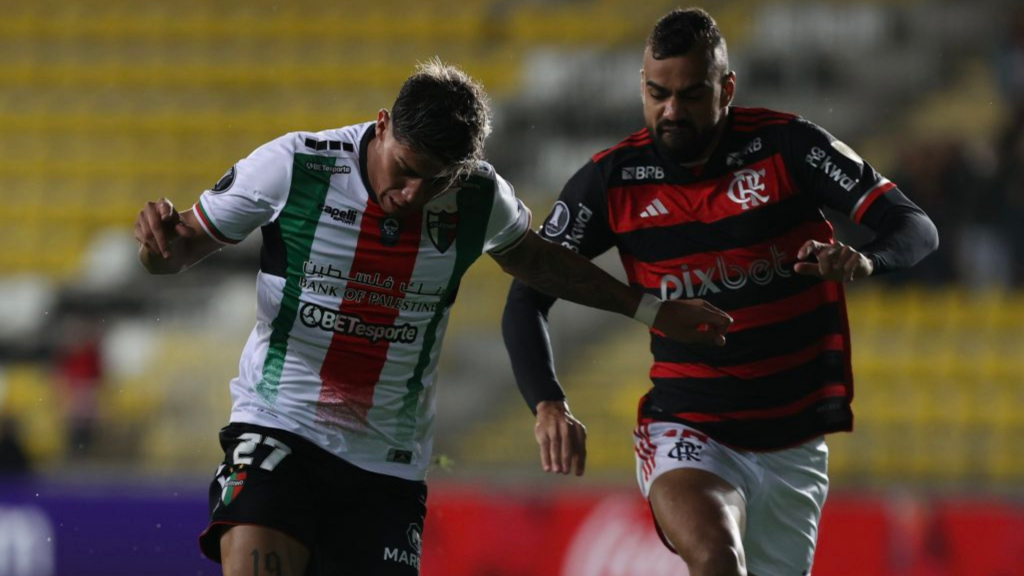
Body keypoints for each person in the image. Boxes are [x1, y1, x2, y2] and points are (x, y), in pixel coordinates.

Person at [133, 59, 732, 576]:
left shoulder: (478, 196)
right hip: (278, 425)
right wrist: (157, 251)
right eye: (407, 169)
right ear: (383, 125)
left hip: (387, 463)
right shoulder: (297, 167)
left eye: (436, 179)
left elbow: (542, 264)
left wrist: (650, 310)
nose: (415, 194)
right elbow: (178, 250)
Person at [502, 8, 938, 576]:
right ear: (642, 86)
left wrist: (864, 260)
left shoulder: (787, 146)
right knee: (716, 556)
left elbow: (915, 227)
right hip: (688, 427)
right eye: (657, 93)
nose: (671, 111)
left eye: (690, 94)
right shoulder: (611, 181)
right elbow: (526, 297)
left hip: (793, 445)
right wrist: (548, 403)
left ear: (726, 87)